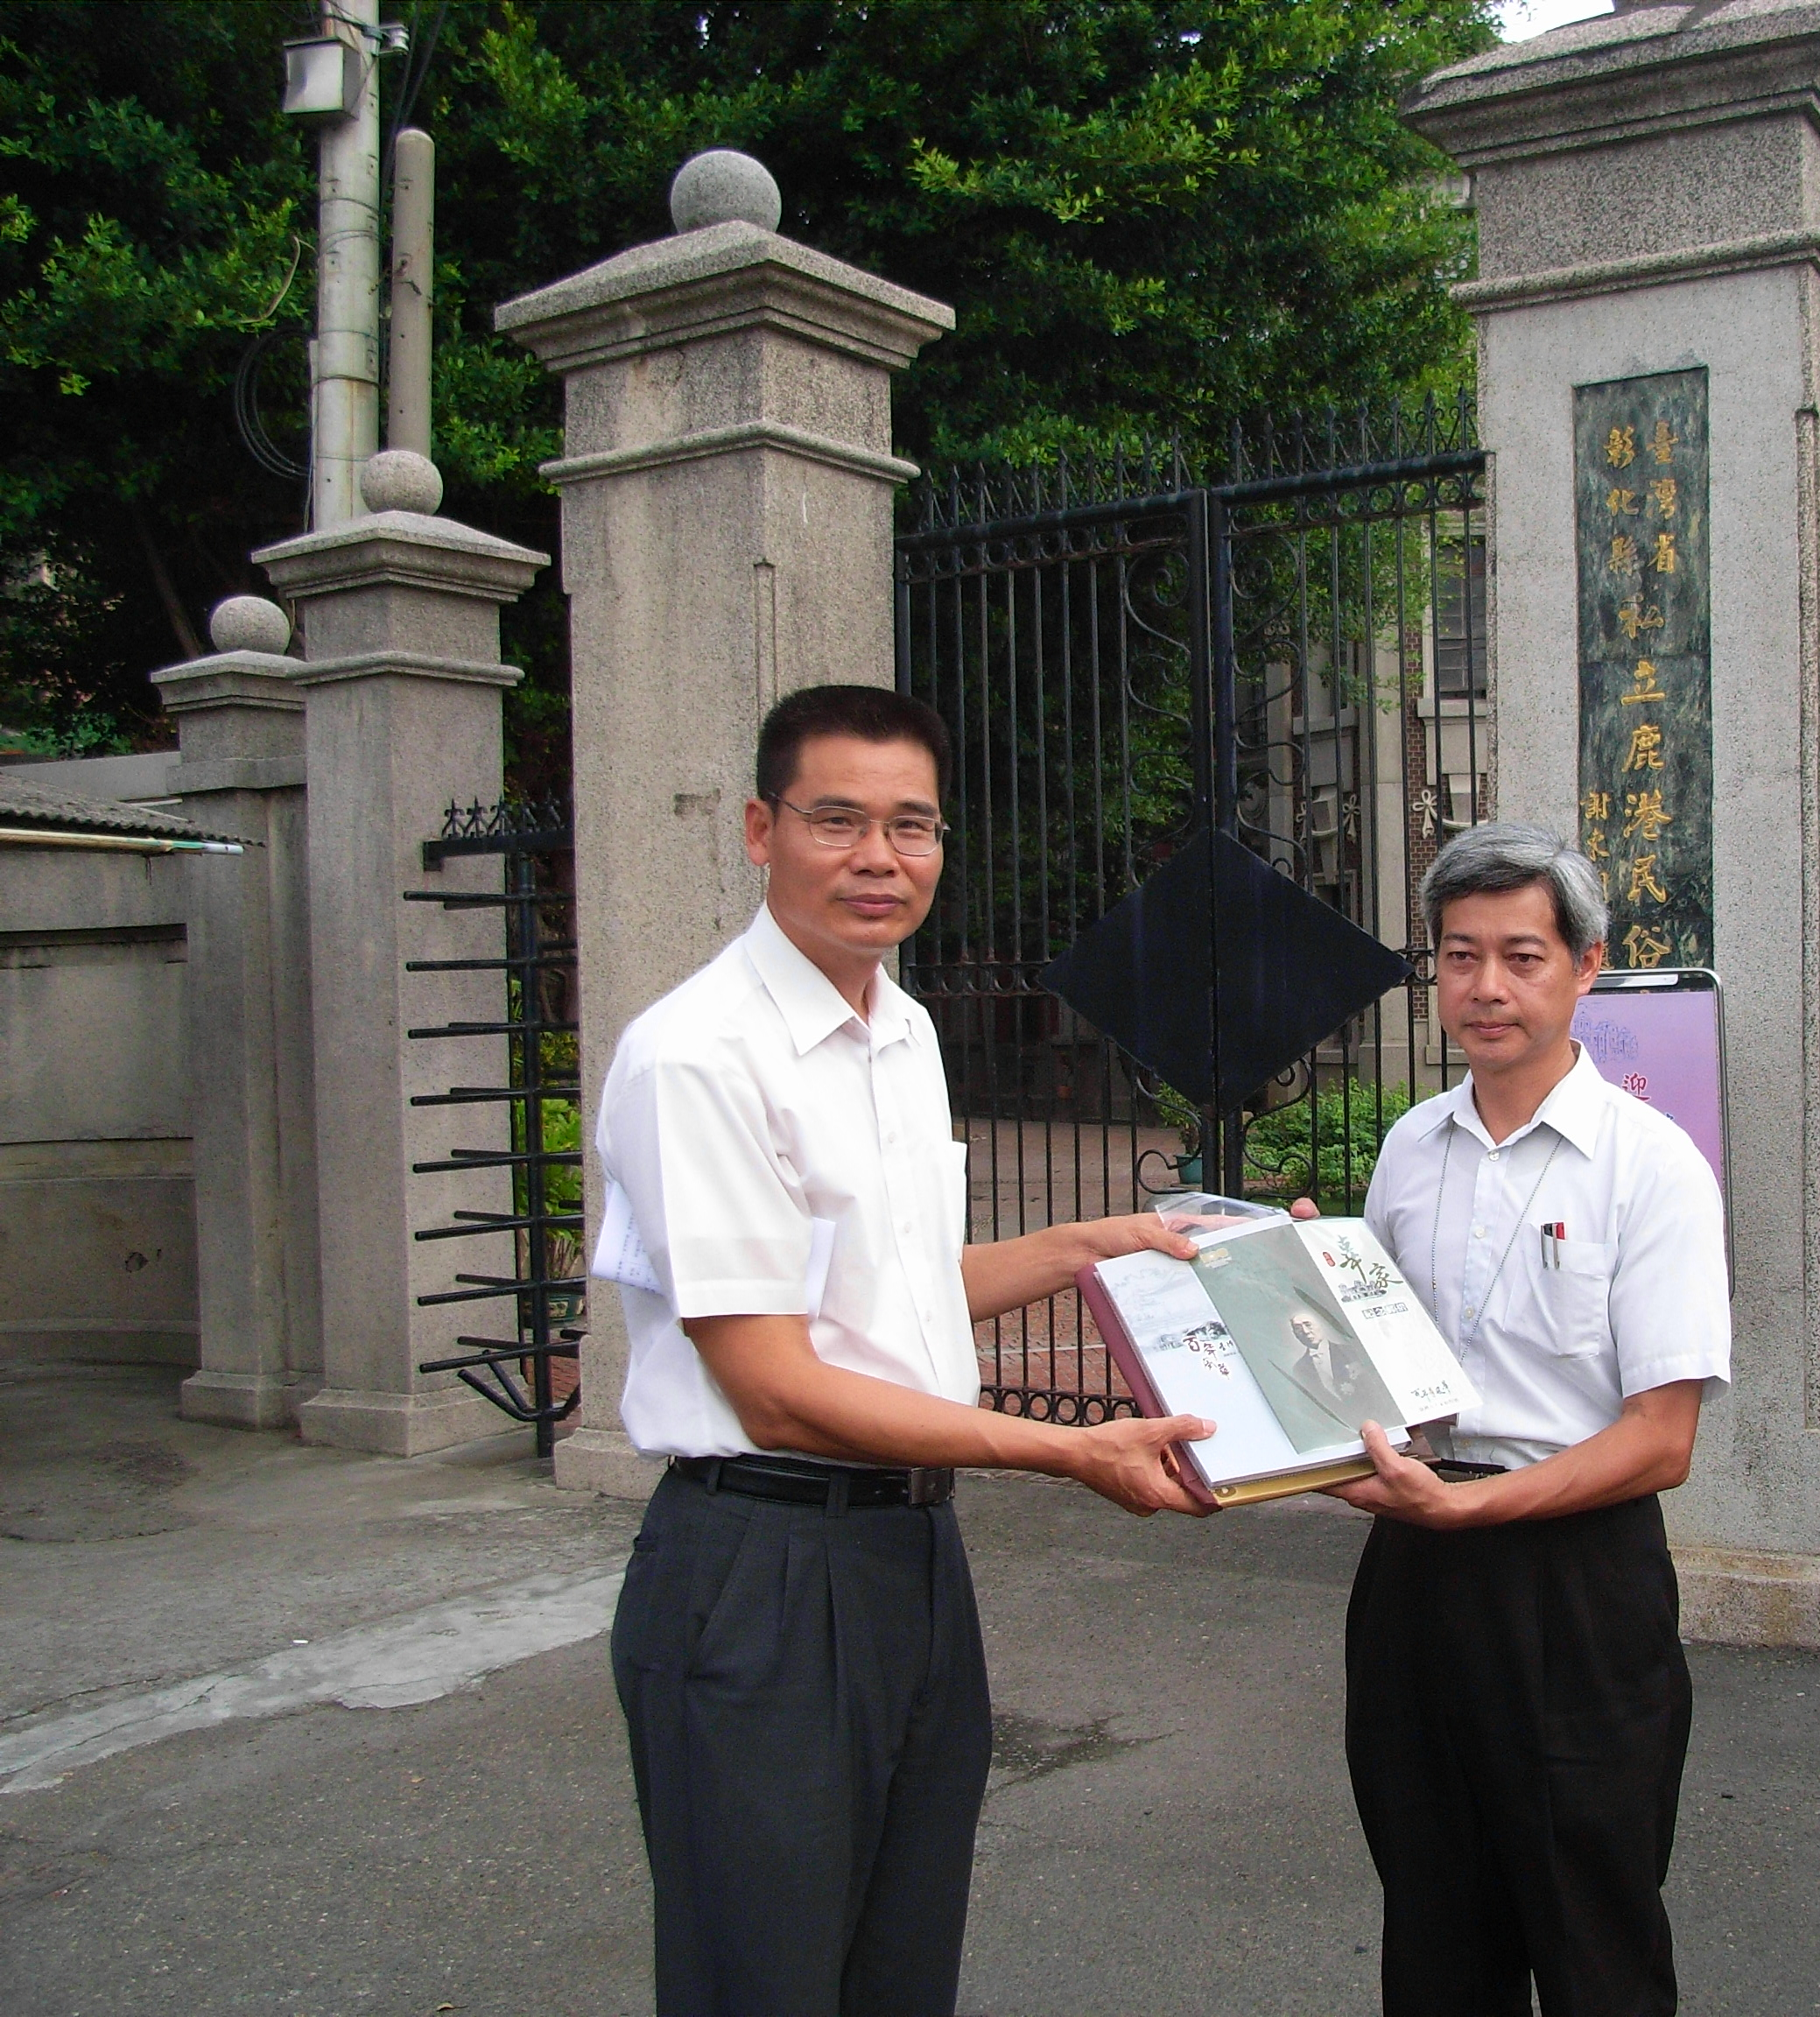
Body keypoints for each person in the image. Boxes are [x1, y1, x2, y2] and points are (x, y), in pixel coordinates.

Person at [594, 684, 1218, 2017]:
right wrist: (1065, 1450)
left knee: (898, 1965)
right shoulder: (700, 1056)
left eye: (913, 827)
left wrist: (1099, 1245)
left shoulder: (902, 1029)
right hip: (762, 1564)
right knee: (763, 1977)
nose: (880, 858)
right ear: (761, 831)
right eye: (838, 820)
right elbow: (774, 1386)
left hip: (907, 1558)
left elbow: (887, 1300)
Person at [1325, 821, 1731, 2017]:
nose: (1486, 988)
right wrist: (1298, 1287)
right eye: (1459, 957)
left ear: (1587, 968)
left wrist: (1474, 1507)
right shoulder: (1410, 1149)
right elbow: (1380, 1372)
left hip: (1575, 1587)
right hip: (1413, 1579)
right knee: (1435, 1926)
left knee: (1591, 1930)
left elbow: (1663, 1438)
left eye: (1522, 956)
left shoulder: (1649, 1167)